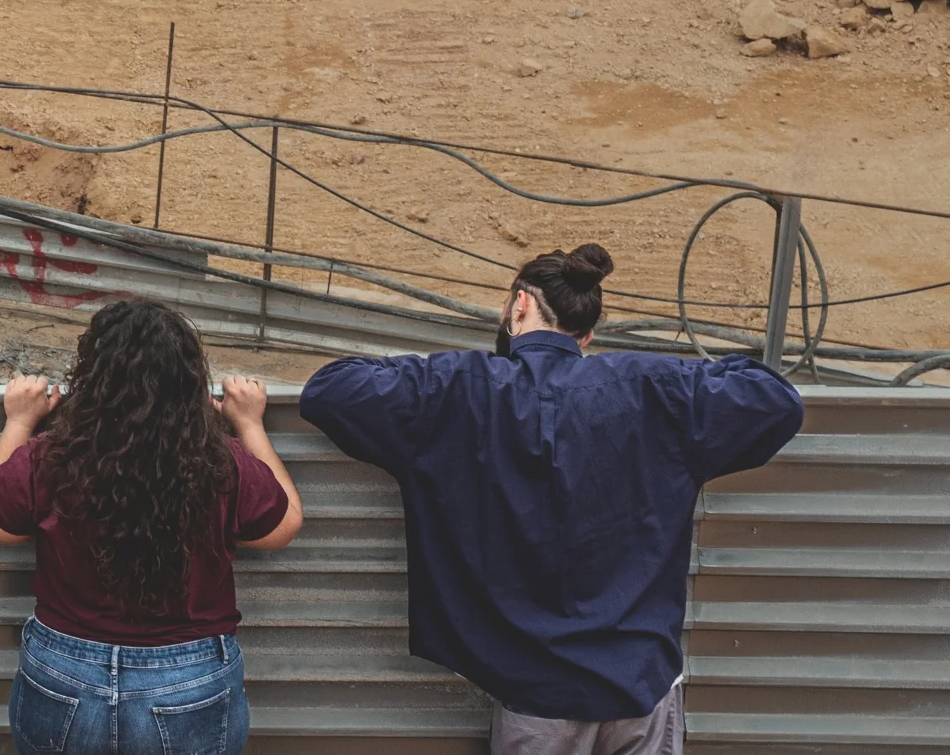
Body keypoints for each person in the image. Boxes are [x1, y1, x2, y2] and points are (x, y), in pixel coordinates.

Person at [300, 244, 804, 753]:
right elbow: (774, 398)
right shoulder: (653, 388)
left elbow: (331, 390)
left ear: (518, 305)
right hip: (640, 686)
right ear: (587, 333)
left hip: (535, 696)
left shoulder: (461, 387)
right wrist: (678, 375)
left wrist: (432, 373)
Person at [0, 297, 302, 755]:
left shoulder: (52, 456)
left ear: (92, 375)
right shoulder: (222, 462)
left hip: (65, 672)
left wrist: (20, 421)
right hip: (190, 678)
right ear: (189, 382)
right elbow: (282, 527)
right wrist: (250, 425)